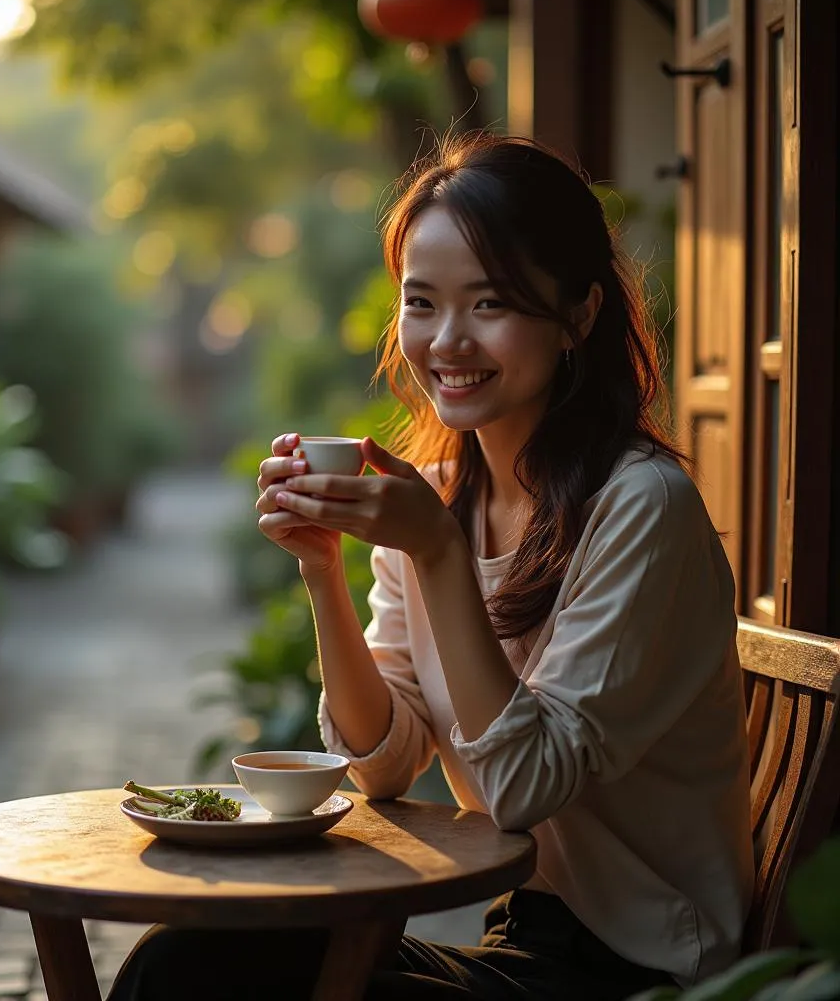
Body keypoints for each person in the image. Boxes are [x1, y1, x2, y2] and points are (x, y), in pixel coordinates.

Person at [107, 133, 754, 1000]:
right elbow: (383, 762)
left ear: (579, 316)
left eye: (491, 303)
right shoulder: (442, 494)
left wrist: (437, 551)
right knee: (180, 960)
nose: (448, 340)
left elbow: (524, 787)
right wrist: (323, 573)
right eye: (422, 302)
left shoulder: (641, 504)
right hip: (520, 943)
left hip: (642, 970)